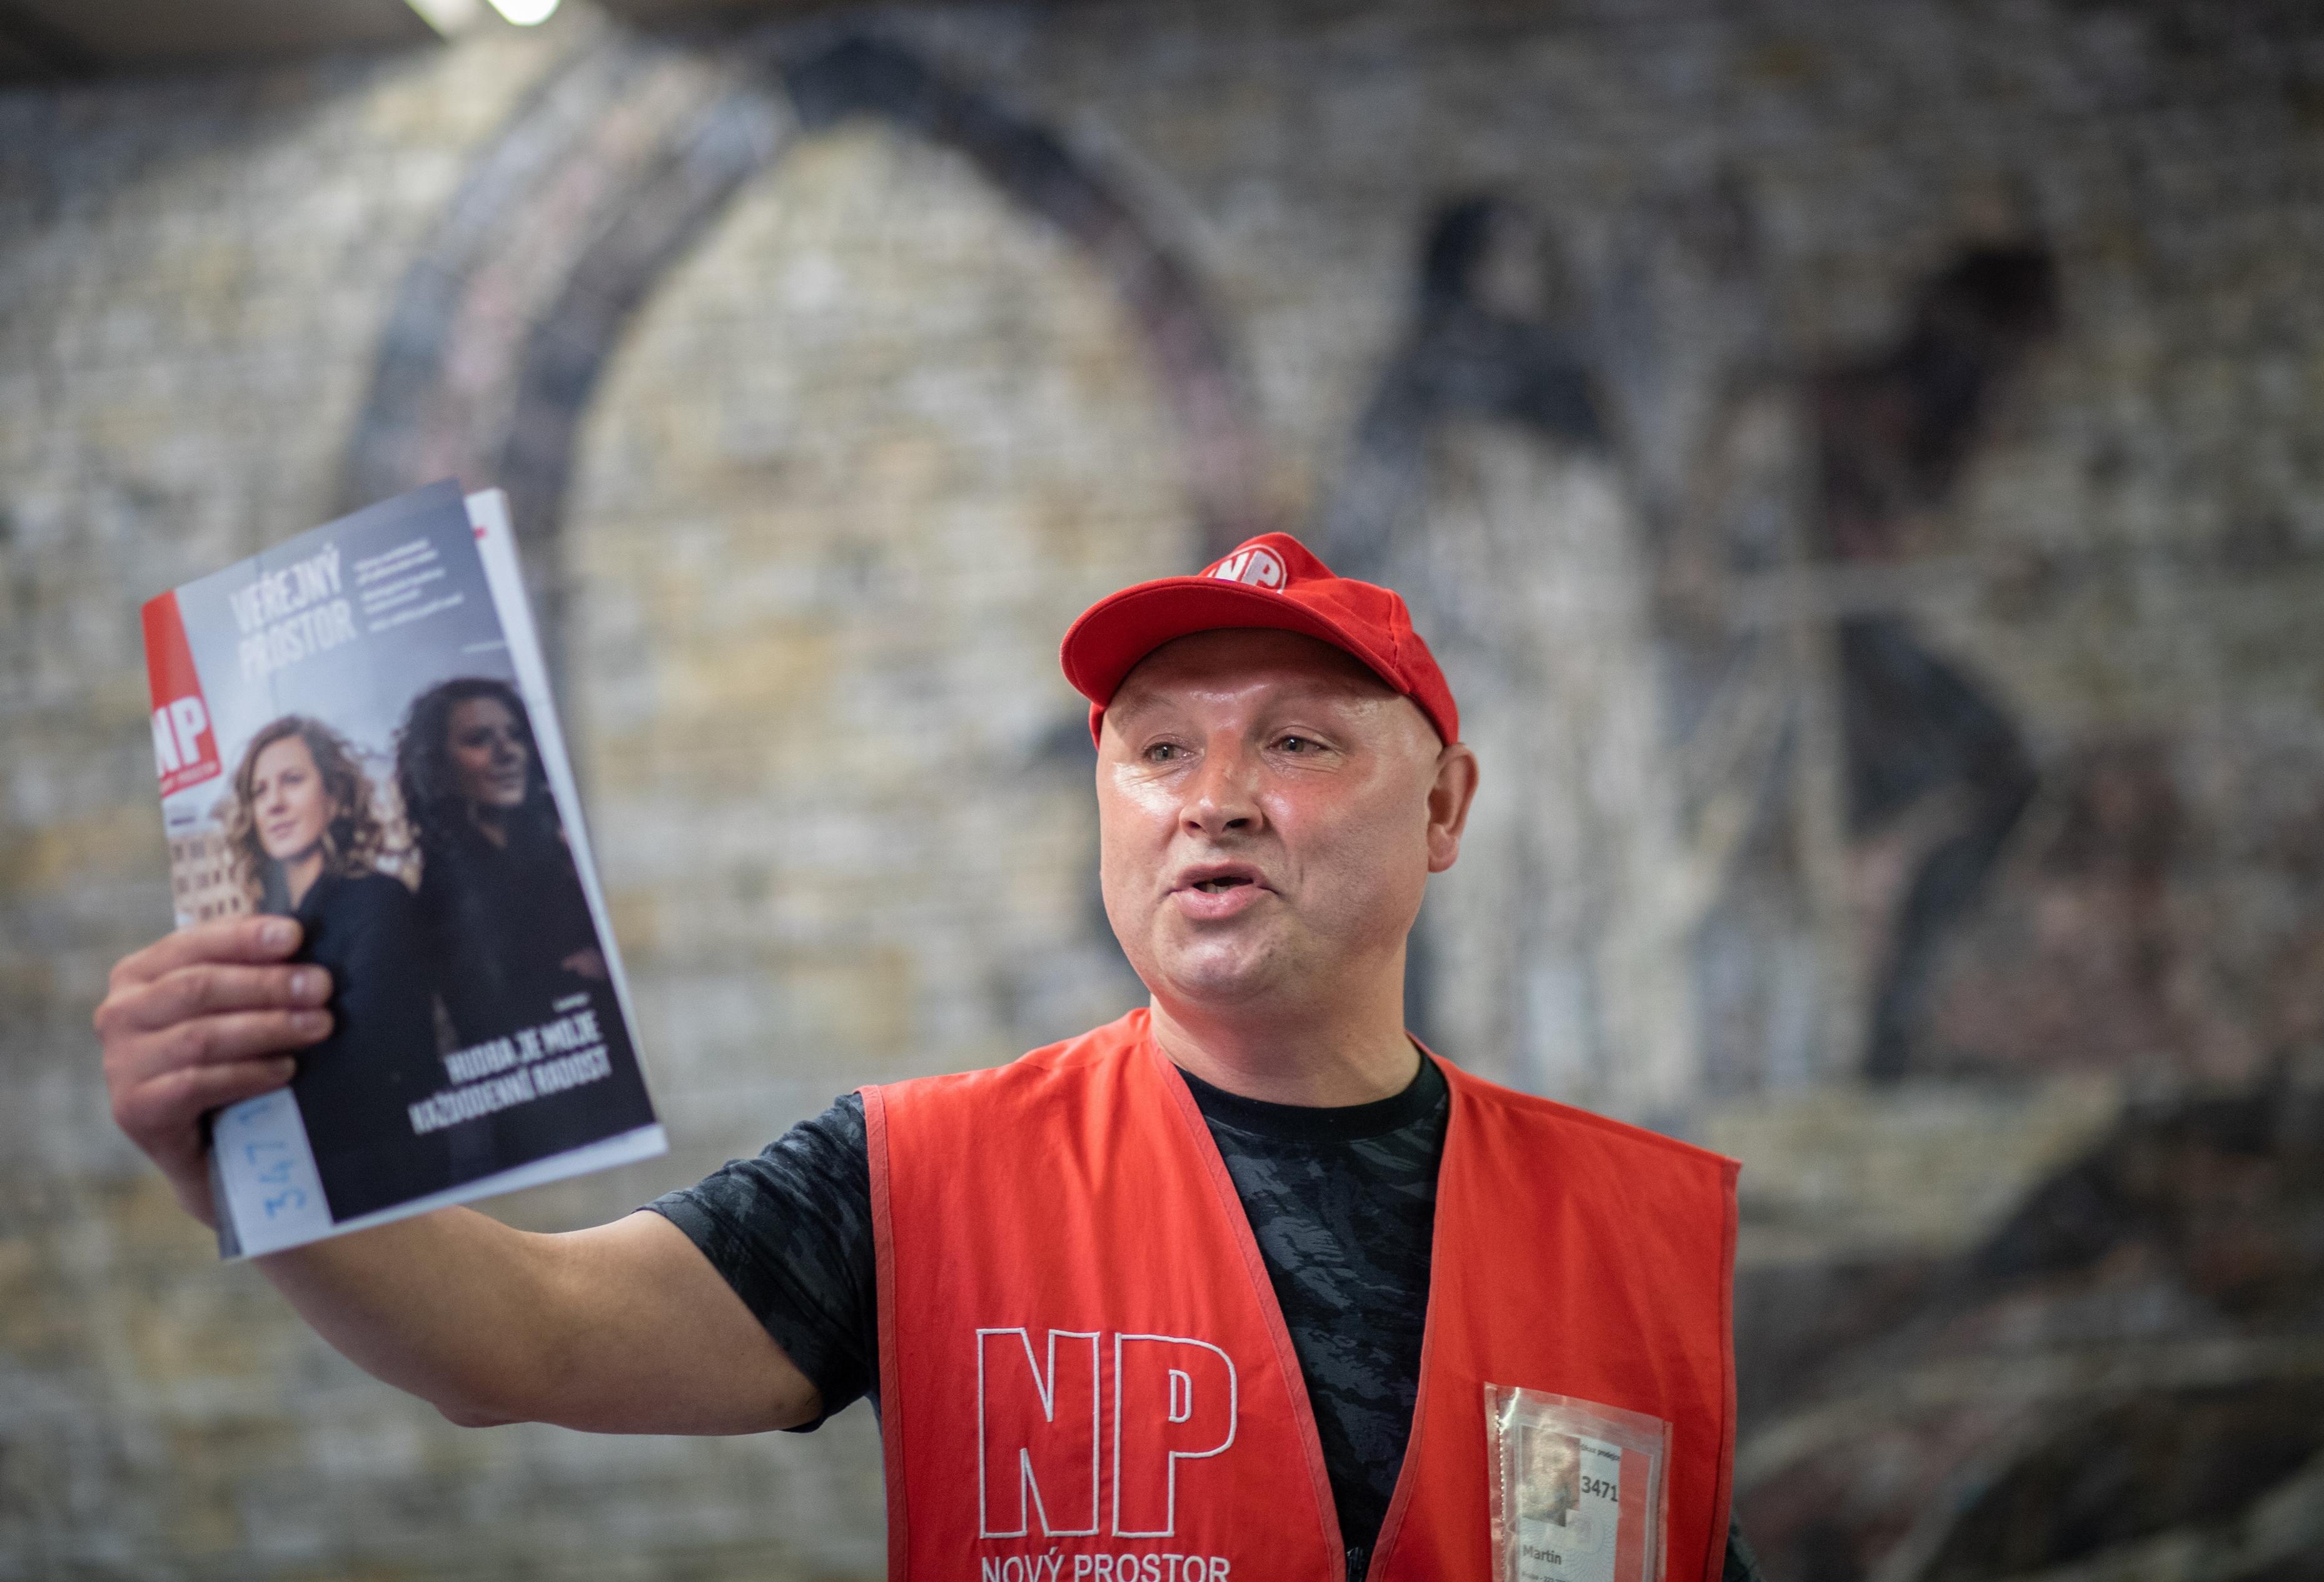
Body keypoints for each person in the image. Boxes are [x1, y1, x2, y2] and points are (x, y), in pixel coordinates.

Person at [94, 535, 1762, 1582]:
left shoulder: (1634, 1226)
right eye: (1157, 748)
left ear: (1448, 807)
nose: (1214, 796)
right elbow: (524, 1340)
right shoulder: (917, 1176)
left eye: (1299, 741)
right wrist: (262, 1163)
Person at [219, 714, 440, 1220]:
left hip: (383, 1184)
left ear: (336, 798)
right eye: (260, 791)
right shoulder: (262, 929)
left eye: (292, 781)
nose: (273, 803)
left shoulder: (377, 900)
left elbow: (378, 1063)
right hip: (298, 1190)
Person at [393, 677, 607, 1046]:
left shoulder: (564, 842)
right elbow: (490, 1013)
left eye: (515, 734)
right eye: (478, 739)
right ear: (439, 766)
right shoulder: (444, 888)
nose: (507, 752)